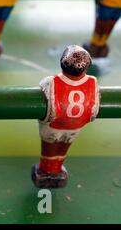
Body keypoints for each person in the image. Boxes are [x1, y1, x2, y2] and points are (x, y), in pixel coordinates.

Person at [32, 45, 100, 188]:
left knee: (49, 148)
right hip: (75, 126)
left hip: (53, 125)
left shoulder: (51, 81)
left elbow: (42, 90)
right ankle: (57, 169)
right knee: (63, 147)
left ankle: (46, 170)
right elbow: (93, 109)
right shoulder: (92, 82)